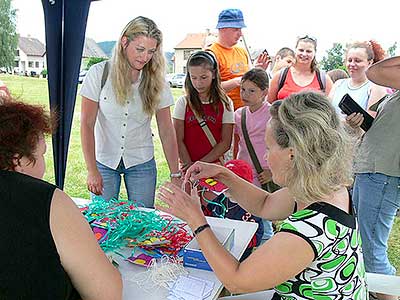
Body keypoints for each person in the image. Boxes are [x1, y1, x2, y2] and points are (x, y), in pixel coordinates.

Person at [157, 91, 367, 299]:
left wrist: (196, 220)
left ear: (292, 154)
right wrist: (224, 174)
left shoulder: (308, 231)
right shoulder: (327, 190)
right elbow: (266, 204)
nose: (265, 157)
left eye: (268, 148)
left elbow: (237, 280)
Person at [0, 101, 122, 299]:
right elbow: (108, 293)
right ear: (18, 161)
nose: (44, 166)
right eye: (42, 155)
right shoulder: (46, 200)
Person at [80, 16, 180, 206]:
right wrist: (92, 169)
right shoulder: (98, 74)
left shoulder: (158, 81)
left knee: (143, 224)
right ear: (124, 42)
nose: (145, 57)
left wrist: (175, 173)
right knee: (103, 223)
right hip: (104, 162)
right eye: (140, 49)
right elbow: (86, 124)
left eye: (151, 51)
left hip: (141, 161)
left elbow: (166, 129)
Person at [347, 56, 400, 300]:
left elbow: (375, 71)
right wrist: (359, 122)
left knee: (372, 250)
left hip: (383, 175)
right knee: (365, 242)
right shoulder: (393, 95)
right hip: (371, 170)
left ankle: (388, 294)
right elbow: (380, 128)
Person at [172, 50, 234, 170]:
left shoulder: (225, 103)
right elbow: (178, 139)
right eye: (193, 78)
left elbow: (225, 142)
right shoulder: (183, 103)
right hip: (187, 166)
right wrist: (189, 165)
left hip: (214, 166)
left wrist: (199, 165)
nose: (198, 83)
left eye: (204, 77)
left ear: (214, 74)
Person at [233, 68, 275, 240]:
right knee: (242, 214)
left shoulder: (273, 114)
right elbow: (236, 144)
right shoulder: (238, 114)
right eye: (243, 89)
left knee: (264, 219)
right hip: (244, 174)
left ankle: (267, 250)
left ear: (264, 92)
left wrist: (272, 173)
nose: (245, 94)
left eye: (252, 91)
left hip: (263, 174)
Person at [200, 159, 264, 261]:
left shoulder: (252, 207)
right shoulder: (221, 199)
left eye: (229, 186)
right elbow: (209, 214)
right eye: (223, 185)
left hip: (239, 255)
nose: (225, 190)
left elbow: (256, 235)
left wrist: (239, 242)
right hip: (218, 248)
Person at [207, 8, 270, 110]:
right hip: (223, 114)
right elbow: (207, 89)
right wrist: (237, 81)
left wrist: (257, 71)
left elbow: (250, 81)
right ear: (223, 29)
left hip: (245, 116)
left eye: (240, 29)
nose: (240, 33)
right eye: (236, 29)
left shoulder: (242, 51)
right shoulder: (212, 54)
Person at [329, 41, 387, 118]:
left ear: (369, 62)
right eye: (349, 60)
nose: (352, 64)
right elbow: (327, 110)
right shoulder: (338, 84)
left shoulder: (376, 87)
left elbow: (371, 122)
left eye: (357, 61)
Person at [268, 35, 333, 103]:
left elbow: (330, 107)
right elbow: (270, 105)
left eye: (308, 51)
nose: (304, 54)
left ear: (315, 53)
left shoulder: (324, 79)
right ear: (295, 50)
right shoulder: (280, 76)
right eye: (301, 50)